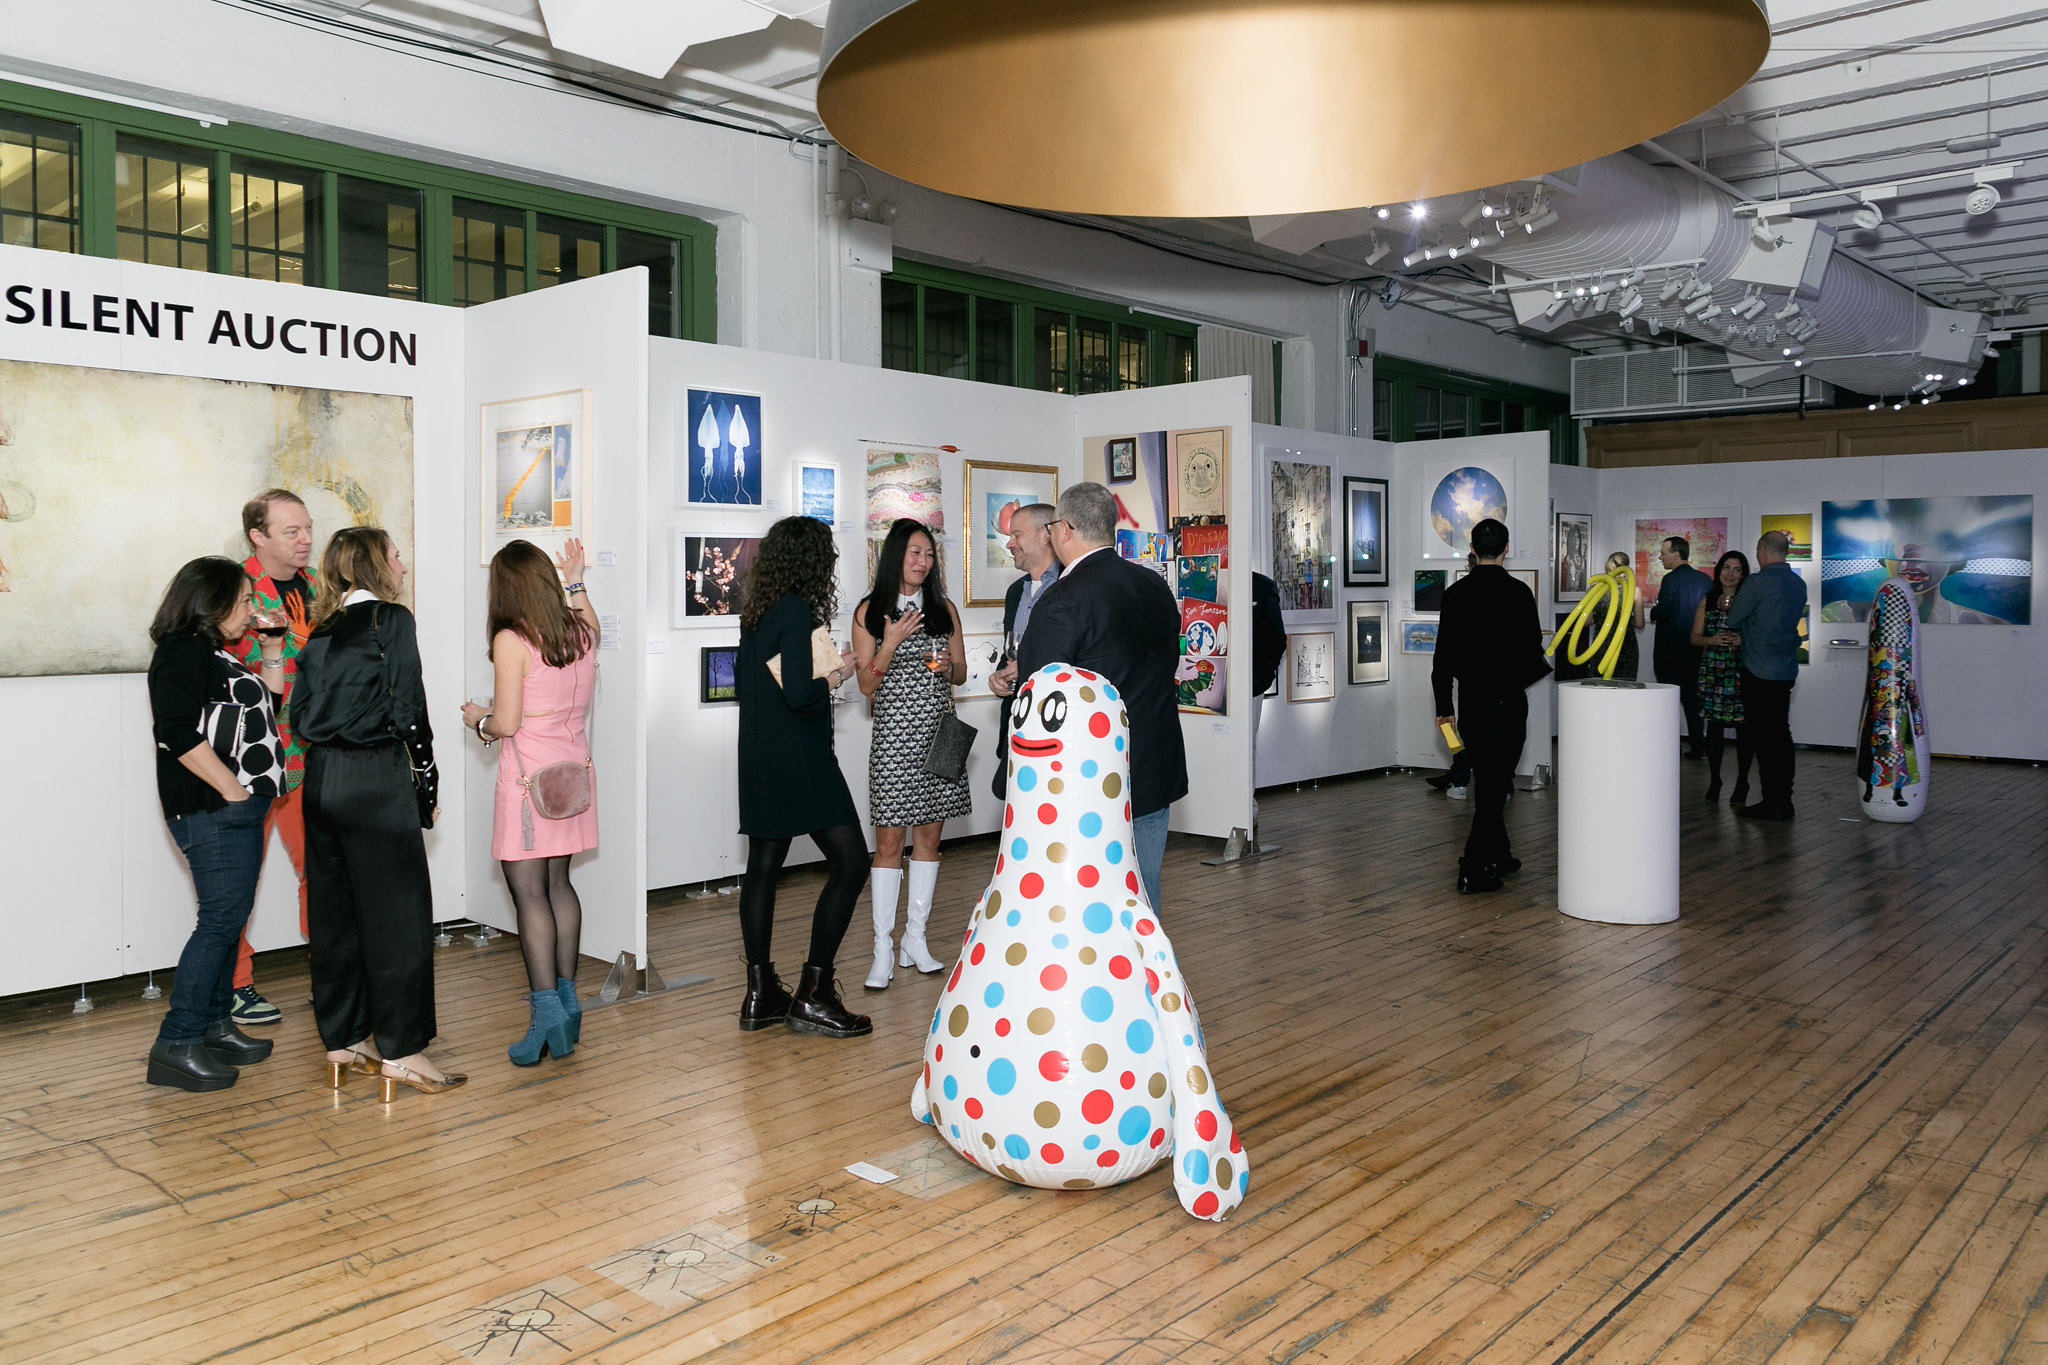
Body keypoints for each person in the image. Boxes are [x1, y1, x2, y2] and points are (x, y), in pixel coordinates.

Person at [294, 527, 460, 1099]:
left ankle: (344, 1041)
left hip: (321, 782)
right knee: (398, 919)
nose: (402, 565)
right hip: (374, 779)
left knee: (336, 916)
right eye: (395, 555)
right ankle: (403, 1051)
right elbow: (409, 707)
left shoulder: (320, 631)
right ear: (372, 565)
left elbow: (299, 717)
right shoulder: (391, 621)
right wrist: (427, 783)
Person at [143, 557, 288, 1090]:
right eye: (246, 600)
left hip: (236, 808)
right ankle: (176, 1042)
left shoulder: (215, 654)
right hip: (212, 810)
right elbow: (175, 732)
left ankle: (214, 1026)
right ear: (214, 601)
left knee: (230, 920)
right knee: (220, 923)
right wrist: (229, 788)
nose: (253, 609)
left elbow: (265, 710)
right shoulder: (181, 652)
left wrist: (271, 652)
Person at [460, 539, 600, 1066]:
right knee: (560, 884)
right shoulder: (580, 631)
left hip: (527, 784)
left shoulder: (510, 640)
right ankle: (566, 1001)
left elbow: (509, 723)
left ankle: (546, 1013)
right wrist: (578, 578)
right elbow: (590, 620)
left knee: (529, 896)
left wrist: (478, 717)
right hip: (572, 776)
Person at [1016, 482, 1187, 914]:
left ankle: (1099, 980)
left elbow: (1043, 701)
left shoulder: (1061, 601)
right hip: (1152, 762)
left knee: (1086, 896)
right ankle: (1150, 976)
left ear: (1066, 530)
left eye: (1053, 527)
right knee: (1144, 891)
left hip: (1088, 775)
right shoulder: (1155, 586)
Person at [733, 516, 872, 1037]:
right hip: (803, 760)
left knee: (763, 867)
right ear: (813, 561)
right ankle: (813, 993)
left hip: (762, 757)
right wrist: (840, 670)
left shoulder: (759, 612)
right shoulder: (794, 611)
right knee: (852, 864)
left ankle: (761, 992)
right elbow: (799, 692)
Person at [852, 517, 969, 990]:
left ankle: (914, 939)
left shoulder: (943, 608)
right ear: (895, 556)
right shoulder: (869, 611)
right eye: (914, 553)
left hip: (939, 734)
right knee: (887, 845)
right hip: (894, 737)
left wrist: (947, 668)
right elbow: (865, 684)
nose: (922, 562)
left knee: (929, 841)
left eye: (928, 554)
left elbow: (960, 673)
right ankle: (882, 946)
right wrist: (892, 642)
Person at [224, 489, 318, 1027]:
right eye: (292, 531)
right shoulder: (231, 591)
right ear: (258, 536)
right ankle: (234, 984)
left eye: (307, 528)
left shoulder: (320, 587)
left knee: (320, 870)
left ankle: (327, 970)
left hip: (309, 753)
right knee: (238, 876)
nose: (305, 539)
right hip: (250, 759)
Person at [1432, 518, 1550, 894]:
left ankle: (1499, 852)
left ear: (1472, 548)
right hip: (1507, 700)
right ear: (1506, 548)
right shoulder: (1518, 593)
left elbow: (1442, 660)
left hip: (1471, 701)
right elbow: (1533, 652)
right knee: (1494, 785)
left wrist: (1443, 706)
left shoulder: (1454, 595)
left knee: (1489, 778)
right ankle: (1472, 866)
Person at [1726, 529, 1806, 821]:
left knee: (1763, 738)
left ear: (1762, 550)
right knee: (1781, 736)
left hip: (1758, 669)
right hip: (1785, 669)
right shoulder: (1798, 584)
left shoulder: (1756, 583)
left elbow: (1734, 618)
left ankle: (1772, 801)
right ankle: (1784, 799)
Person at [988, 502, 1060, 802]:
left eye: (1017, 534)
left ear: (1046, 534)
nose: (1009, 543)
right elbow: (1012, 655)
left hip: (1056, 724)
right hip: (1017, 722)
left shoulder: (1071, 587)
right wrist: (1000, 678)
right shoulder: (1015, 591)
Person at [1691, 550, 1754, 806]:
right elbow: (1694, 638)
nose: (1730, 573)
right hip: (1713, 671)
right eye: (1726, 567)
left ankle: (1742, 781)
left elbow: (1758, 635)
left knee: (1744, 730)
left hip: (1740, 671)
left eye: (1736, 569)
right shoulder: (1708, 600)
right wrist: (1711, 640)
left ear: (1744, 574)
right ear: (1719, 571)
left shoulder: (1750, 600)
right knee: (1714, 730)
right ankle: (1715, 779)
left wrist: (1743, 641)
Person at [1648, 536, 1711, 757]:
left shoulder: (1670, 580)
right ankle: (1698, 745)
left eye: (1663, 553)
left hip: (1669, 652)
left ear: (1676, 554)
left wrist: (1653, 611)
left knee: (1669, 703)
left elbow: (1663, 612)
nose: (1660, 556)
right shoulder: (1704, 580)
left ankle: (1669, 748)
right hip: (1695, 650)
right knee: (1693, 701)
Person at [1249, 570, 1286, 828]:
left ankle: (1245, 810)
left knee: (1245, 747)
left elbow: (1276, 638)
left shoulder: (1261, 586)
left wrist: (1261, 678)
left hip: (1249, 685)